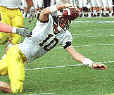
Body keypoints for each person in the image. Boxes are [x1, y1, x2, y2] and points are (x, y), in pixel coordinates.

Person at [0, 4, 107, 94]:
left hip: (22, 59)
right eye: (64, 18)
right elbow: (44, 12)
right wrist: (63, 5)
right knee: (16, 89)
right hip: (16, 53)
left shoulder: (65, 35)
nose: (64, 21)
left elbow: (75, 54)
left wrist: (91, 63)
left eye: (67, 19)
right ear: (59, 16)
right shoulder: (47, 21)